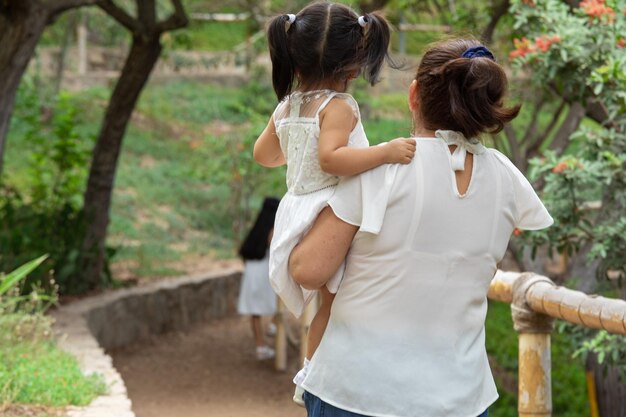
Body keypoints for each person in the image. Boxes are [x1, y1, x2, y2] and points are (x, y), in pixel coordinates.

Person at [288, 38, 554, 417]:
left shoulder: (379, 169)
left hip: (358, 391)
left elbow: (308, 270)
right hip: (460, 398)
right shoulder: (507, 179)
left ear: (414, 95)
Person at [253, 1, 416, 405]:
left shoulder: (287, 105)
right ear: (354, 62)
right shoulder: (338, 107)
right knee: (331, 302)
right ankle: (315, 372)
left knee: (327, 303)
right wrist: (385, 152)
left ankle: (313, 368)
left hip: (296, 207)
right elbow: (332, 159)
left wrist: (295, 149)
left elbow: (264, 155)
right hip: (326, 211)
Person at [237, 197, 280, 361]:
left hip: (251, 271)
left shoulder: (255, 229)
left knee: (255, 310)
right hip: (265, 271)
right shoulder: (273, 229)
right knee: (279, 300)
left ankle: (260, 346)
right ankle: (274, 326)